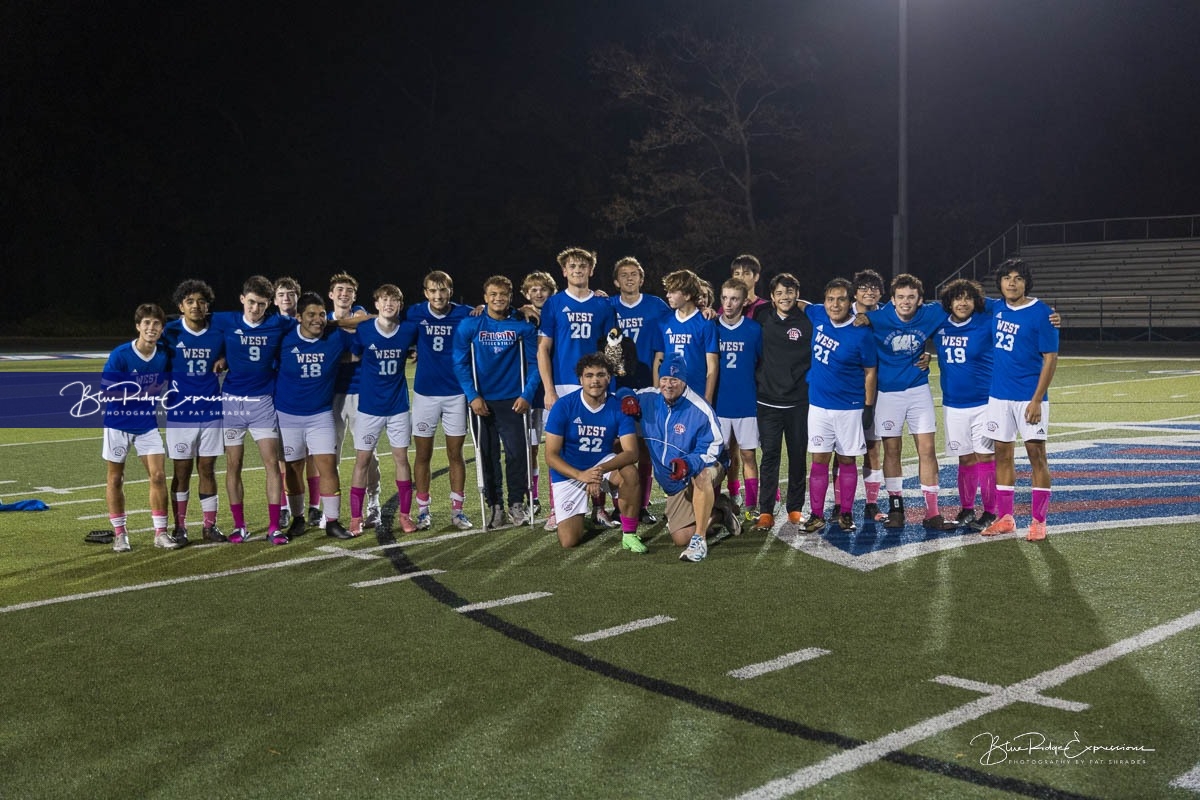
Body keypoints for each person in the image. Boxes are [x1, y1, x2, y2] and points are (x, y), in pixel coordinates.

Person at [618, 353, 737, 562]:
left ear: (683, 381)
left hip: (704, 466)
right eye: (664, 379)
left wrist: (688, 464)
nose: (668, 385)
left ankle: (699, 541)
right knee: (680, 537)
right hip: (673, 481)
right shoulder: (649, 398)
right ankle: (720, 509)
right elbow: (624, 392)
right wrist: (626, 397)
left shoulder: (699, 408)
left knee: (701, 476)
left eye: (674, 380)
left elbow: (715, 446)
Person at [862, 273, 957, 531]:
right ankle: (896, 509)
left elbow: (971, 306)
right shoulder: (876, 317)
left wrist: (1043, 314)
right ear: (891, 300)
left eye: (911, 297)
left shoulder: (931, 313)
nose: (906, 302)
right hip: (887, 395)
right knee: (892, 451)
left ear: (920, 300)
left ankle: (933, 513)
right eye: (901, 297)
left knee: (926, 449)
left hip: (918, 391)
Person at [212, 275, 297, 543]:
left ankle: (274, 527)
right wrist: (222, 357)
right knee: (233, 465)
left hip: (263, 403)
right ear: (242, 299)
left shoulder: (277, 323)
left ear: (269, 304)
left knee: (271, 464)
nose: (255, 309)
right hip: (232, 403)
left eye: (261, 304)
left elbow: (312, 324)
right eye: (251, 303)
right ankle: (240, 526)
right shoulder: (226, 320)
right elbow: (193, 326)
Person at [537, 248, 617, 530]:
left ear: (591, 270)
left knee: (598, 443)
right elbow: (543, 349)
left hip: (596, 383)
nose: (578, 271)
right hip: (562, 384)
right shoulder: (554, 304)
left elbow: (612, 349)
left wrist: (612, 383)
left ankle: (599, 507)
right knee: (557, 448)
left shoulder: (603, 305)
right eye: (572, 266)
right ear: (564, 271)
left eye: (583, 266)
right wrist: (549, 389)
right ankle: (557, 508)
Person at [453, 276, 541, 529]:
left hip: (513, 401)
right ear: (485, 297)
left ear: (510, 296)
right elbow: (459, 363)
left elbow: (535, 364)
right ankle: (495, 506)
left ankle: (516, 503)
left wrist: (526, 395)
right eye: (493, 294)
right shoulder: (470, 325)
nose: (498, 299)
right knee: (487, 455)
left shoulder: (523, 326)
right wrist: (472, 396)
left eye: (503, 294)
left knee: (517, 454)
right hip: (482, 401)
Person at [982, 259, 1059, 541]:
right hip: (998, 397)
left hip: (1029, 397)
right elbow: (959, 302)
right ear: (1000, 283)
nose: (1011, 283)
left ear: (1027, 283)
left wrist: (1037, 400)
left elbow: (1050, 358)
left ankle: (1039, 521)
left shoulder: (1043, 313)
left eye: (1017, 278)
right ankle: (1005, 518)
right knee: (1002, 455)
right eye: (1006, 278)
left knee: (1037, 456)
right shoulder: (995, 308)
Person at [274, 292, 356, 543]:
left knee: (327, 466)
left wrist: (335, 322)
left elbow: (364, 331)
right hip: (287, 414)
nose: (317, 319)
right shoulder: (285, 338)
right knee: (293, 468)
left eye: (322, 314)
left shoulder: (335, 337)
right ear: (298, 317)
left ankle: (332, 521)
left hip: (320, 414)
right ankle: (298, 518)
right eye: (311, 314)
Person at [799, 279, 878, 532]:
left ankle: (845, 513)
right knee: (818, 461)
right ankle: (817, 514)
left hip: (849, 406)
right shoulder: (818, 314)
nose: (835, 304)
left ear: (849, 302)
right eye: (831, 299)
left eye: (841, 299)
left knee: (847, 460)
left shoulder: (861, 332)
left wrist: (868, 406)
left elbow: (870, 371)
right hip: (819, 405)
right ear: (824, 301)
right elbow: (797, 304)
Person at [543, 354, 642, 550]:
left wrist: (597, 471)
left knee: (630, 472)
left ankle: (629, 533)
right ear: (580, 379)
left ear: (609, 378)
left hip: (601, 463)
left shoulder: (618, 407)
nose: (594, 380)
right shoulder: (564, 406)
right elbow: (551, 456)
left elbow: (632, 452)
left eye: (600, 375)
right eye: (588, 375)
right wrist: (582, 475)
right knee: (569, 541)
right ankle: (578, 518)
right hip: (570, 471)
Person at [101, 303, 175, 552]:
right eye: (147, 323)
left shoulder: (163, 354)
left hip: (146, 425)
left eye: (156, 324)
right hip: (117, 424)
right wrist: (143, 391)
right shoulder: (121, 354)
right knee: (115, 478)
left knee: (158, 475)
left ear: (162, 328)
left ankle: (161, 533)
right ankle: (120, 534)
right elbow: (108, 391)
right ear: (138, 326)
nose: (151, 328)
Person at [347, 284, 419, 535]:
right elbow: (354, 356)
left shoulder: (409, 330)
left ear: (400, 304)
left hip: (398, 407)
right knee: (362, 461)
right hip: (368, 408)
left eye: (394, 300)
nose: (389, 304)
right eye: (384, 300)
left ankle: (405, 516)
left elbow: (420, 345)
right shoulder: (365, 330)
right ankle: (355, 518)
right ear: (376, 304)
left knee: (401, 459)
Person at [408, 269, 474, 531]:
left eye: (443, 290)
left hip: (456, 393)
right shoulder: (414, 312)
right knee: (422, 454)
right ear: (426, 293)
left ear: (450, 290)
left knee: (455, 454)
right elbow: (382, 319)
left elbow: (493, 313)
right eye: (433, 291)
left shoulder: (465, 312)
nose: (438, 295)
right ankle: (423, 511)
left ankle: (457, 511)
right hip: (425, 394)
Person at [161, 279, 226, 545]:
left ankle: (209, 527)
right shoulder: (170, 333)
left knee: (208, 469)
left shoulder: (218, 333)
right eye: (190, 302)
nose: (196, 306)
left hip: (211, 411)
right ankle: (180, 527)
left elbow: (235, 352)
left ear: (207, 305)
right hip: (180, 415)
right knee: (181, 472)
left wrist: (226, 359)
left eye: (201, 301)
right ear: (180, 306)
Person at [935, 278, 1000, 530]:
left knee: (985, 457)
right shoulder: (940, 323)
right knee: (965, 459)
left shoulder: (985, 321)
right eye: (957, 298)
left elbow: (1008, 306)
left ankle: (990, 511)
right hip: (953, 403)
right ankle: (967, 508)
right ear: (949, 303)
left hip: (984, 402)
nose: (963, 303)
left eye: (968, 298)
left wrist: (1048, 316)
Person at [751, 272, 812, 530]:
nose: (784, 297)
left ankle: (795, 508)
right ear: (772, 297)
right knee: (770, 457)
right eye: (779, 293)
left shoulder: (809, 318)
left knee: (797, 457)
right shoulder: (761, 316)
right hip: (768, 402)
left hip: (799, 402)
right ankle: (765, 510)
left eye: (789, 292)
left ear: (797, 294)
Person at [609, 255, 668, 524]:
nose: (630, 278)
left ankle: (642, 506)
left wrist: (704, 308)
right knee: (615, 447)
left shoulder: (657, 306)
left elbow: (680, 318)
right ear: (616, 281)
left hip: (647, 386)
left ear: (642, 279)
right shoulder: (607, 305)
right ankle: (616, 505)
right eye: (624, 274)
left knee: (644, 448)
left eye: (634, 274)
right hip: (615, 386)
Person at [326, 272, 377, 529]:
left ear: (354, 295)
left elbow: (365, 354)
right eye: (339, 290)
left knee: (367, 454)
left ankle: (374, 505)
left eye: (348, 290)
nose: (344, 293)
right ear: (331, 295)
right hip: (331, 395)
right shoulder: (323, 321)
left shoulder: (364, 319)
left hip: (361, 392)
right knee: (328, 456)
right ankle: (330, 511)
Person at [714, 278, 764, 523]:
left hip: (747, 404)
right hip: (719, 405)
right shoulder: (712, 327)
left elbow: (762, 365)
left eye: (734, 298)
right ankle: (719, 502)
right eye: (724, 298)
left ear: (745, 301)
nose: (728, 303)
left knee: (748, 456)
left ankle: (752, 506)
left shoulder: (754, 330)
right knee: (719, 458)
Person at [519, 270, 557, 517]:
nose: (539, 293)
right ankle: (532, 497)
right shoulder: (520, 316)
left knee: (557, 446)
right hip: (532, 389)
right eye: (533, 290)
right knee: (530, 447)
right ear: (526, 294)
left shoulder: (558, 312)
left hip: (556, 386)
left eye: (543, 288)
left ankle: (558, 499)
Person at [653, 268, 719, 404]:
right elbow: (658, 359)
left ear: (687, 295)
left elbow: (712, 365)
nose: (668, 295)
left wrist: (708, 398)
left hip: (696, 393)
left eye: (673, 292)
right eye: (667, 291)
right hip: (669, 393)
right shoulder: (664, 322)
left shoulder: (705, 323)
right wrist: (657, 391)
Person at [272, 275, 306, 530]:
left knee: (311, 455)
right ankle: (284, 508)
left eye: (291, 294)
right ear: (274, 299)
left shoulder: (308, 321)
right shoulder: (270, 324)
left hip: (307, 394)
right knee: (282, 456)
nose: (286, 298)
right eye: (282, 294)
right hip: (276, 394)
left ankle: (313, 506)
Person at [731, 254, 769, 319]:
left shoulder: (766, 307)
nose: (740, 277)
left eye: (746, 273)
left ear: (756, 277)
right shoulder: (727, 307)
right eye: (737, 274)